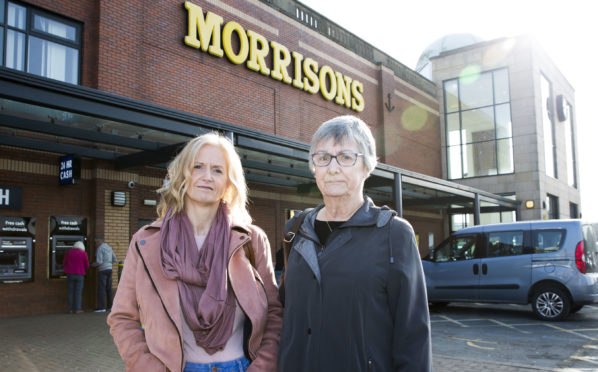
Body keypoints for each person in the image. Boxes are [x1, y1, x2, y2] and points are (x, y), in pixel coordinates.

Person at [107, 132, 282, 372]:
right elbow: (122, 318)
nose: (207, 177)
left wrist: (262, 367)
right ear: (183, 175)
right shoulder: (146, 243)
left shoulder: (251, 240)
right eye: (198, 166)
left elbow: (274, 314)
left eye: (218, 170)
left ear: (229, 183)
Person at [278, 115, 432, 371]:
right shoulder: (295, 230)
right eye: (323, 158)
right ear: (314, 166)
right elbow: (286, 313)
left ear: (367, 166)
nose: (333, 168)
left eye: (346, 157)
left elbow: (413, 336)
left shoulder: (394, 234)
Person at [63, 240, 90, 314]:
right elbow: (87, 265)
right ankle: (78, 309)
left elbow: (64, 263)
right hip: (80, 275)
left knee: (70, 292)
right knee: (78, 292)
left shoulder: (68, 252)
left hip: (70, 274)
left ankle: (70, 309)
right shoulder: (83, 253)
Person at [92, 236, 117, 312]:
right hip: (109, 269)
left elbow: (99, 262)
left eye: (95, 243)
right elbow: (114, 259)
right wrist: (109, 264)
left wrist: (92, 265)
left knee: (101, 288)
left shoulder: (100, 248)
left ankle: (101, 307)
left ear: (99, 242)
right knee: (109, 288)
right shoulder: (109, 247)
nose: (95, 244)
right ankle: (110, 306)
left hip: (102, 270)